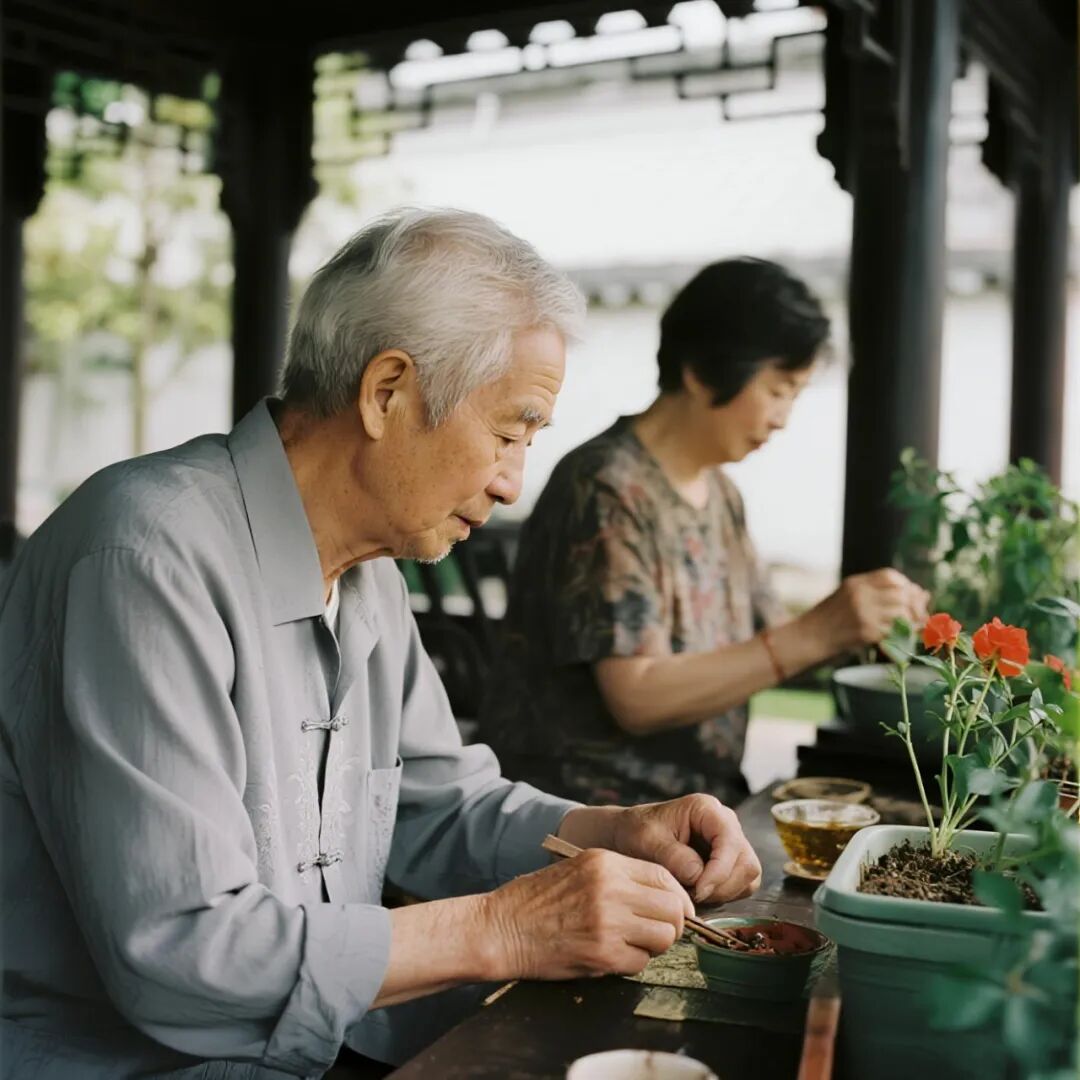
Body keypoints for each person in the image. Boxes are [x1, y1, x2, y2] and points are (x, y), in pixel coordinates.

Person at [0, 210, 762, 1080]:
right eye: (508, 433)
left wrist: (615, 833)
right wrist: (507, 927)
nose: (512, 484)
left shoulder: (371, 577)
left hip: (328, 1046)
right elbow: (183, 950)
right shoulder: (145, 556)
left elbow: (435, 805)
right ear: (387, 391)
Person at [481, 257, 929, 807]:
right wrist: (819, 632)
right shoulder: (604, 486)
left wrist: (863, 625)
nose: (784, 418)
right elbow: (638, 698)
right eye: (778, 390)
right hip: (593, 814)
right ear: (702, 372)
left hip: (699, 805)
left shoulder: (721, 494)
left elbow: (771, 639)